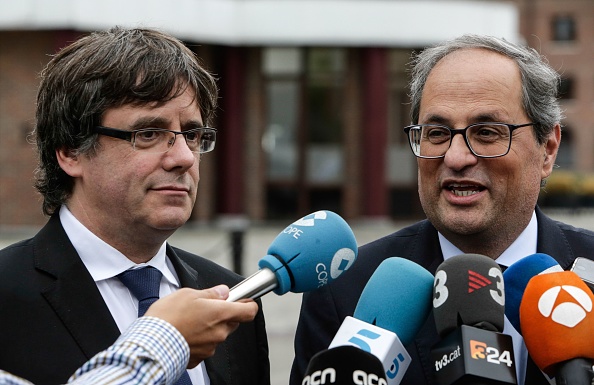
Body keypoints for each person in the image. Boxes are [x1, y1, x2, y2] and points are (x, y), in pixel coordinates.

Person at [290, 34, 594, 385]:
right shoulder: (344, 292)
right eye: (436, 133)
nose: (456, 157)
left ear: (548, 149)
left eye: (486, 132)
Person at [0, 27, 269, 385]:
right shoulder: (7, 294)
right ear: (70, 151)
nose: (184, 157)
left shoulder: (228, 296)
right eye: (148, 134)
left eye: (191, 134)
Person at [0, 285, 258, 385]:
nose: (185, 162)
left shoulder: (231, 291)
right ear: (70, 162)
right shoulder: (7, 289)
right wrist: (167, 339)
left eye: (200, 160)